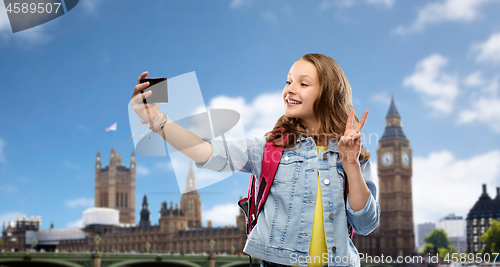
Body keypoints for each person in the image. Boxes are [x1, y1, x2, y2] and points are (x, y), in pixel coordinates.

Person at [130, 53, 380, 267]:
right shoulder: (271, 148)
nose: (289, 89)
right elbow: (208, 152)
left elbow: (365, 223)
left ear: (328, 93)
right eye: (288, 81)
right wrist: (158, 122)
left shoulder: (353, 154)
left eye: (303, 84)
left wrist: (350, 164)